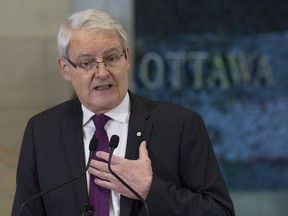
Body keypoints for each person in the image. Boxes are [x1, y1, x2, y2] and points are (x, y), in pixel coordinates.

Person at [12, 8, 235, 216]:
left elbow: (220, 211)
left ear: (127, 58)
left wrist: (149, 188)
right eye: (87, 63)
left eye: (111, 58)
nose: (102, 72)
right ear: (65, 69)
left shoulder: (180, 125)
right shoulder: (42, 131)